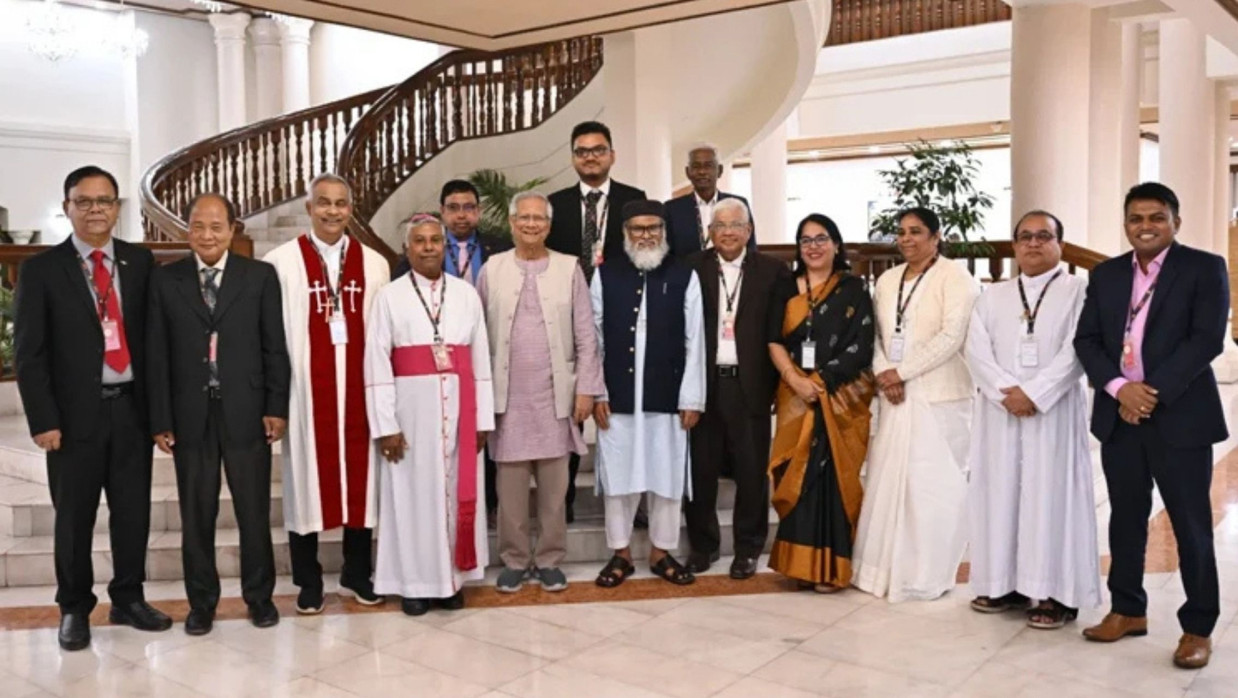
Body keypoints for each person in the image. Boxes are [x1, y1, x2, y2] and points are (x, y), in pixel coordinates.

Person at [14, 165, 171, 651]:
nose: (95, 209)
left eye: (104, 201)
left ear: (118, 208)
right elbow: (29, 354)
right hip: (72, 420)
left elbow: (155, 343)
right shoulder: (42, 270)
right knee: (74, 517)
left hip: (130, 412)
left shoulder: (140, 263)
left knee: (132, 513)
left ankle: (128, 597)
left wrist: (160, 418)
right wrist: (44, 421)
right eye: (84, 201)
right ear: (68, 208)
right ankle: (74, 607)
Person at [1074, 182, 1229, 669]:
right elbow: (1088, 340)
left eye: (1156, 217)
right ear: (1126, 225)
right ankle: (1126, 609)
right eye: (1137, 218)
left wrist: (1149, 393)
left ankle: (1198, 626)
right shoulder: (1107, 274)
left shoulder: (1205, 268)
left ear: (1175, 222)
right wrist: (1121, 389)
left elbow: (1206, 340)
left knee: (1190, 523)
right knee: (1124, 516)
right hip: (1120, 415)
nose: (1146, 226)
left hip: (1180, 415)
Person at [147, 193, 289, 634]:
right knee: (197, 514)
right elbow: (156, 355)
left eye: (215, 227)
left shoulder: (260, 276)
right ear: (186, 229)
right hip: (190, 416)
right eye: (197, 226)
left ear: (232, 230)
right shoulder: (165, 281)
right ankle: (201, 603)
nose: (206, 235)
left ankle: (259, 598)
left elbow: (274, 347)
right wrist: (160, 419)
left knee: (253, 512)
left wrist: (275, 406)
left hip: (247, 413)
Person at [965, 210, 1101, 629]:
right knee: (1001, 493)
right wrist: (1007, 392)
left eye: (1044, 236)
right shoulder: (993, 295)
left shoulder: (1079, 291)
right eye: (1025, 236)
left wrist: (1035, 393)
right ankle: (1003, 582)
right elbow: (975, 349)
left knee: (1051, 497)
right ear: (1015, 245)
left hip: (1053, 410)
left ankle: (1055, 593)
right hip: (1001, 410)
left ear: (1060, 243)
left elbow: (1080, 348)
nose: (1033, 243)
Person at [264, 173, 390, 614]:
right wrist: (274, 401)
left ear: (351, 209)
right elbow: (270, 337)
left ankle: (357, 574)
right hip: (304, 395)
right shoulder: (280, 262)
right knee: (305, 485)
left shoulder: (375, 264)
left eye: (340, 203)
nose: (332, 211)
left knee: (364, 482)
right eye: (323, 203)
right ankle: (308, 581)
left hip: (359, 389)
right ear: (309, 207)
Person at [365, 214, 495, 616]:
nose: (427, 247)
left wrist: (483, 419)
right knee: (411, 498)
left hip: (459, 409)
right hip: (410, 414)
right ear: (407, 248)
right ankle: (414, 585)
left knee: (454, 496)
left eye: (434, 240)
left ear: (444, 245)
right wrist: (385, 426)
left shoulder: (466, 294)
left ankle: (450, 581)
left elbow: (481, 359)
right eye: (419, 241)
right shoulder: (389, 296)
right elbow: (376, 363)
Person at [475, 191, 603, 593]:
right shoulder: (492, 269)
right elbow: (477, 337)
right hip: (507, 400)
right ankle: (514, 560)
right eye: (523, 218)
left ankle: (549, 559)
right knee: (509, 491)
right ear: (512, 223)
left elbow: (587, 336)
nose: (531, 225)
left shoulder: (569, 269)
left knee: (553, 491)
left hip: (554, 398)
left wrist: (586, 390)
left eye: (538, 219)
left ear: (548, 226)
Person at [851, 206, 980, 602]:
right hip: (894, 395)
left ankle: (926, 574)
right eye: (902, 232)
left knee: (933, 490)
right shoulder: (888, 280)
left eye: (916, 232)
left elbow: (951, 336)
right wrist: (884, 370)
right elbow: (872, 334)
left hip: (940, 395)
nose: (907, 239)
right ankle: (882, 571)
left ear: (936, 236)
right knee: (891, 482)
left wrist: (901, 372)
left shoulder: (957, 278)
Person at [591, 200, 706, 588]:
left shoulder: (683, 274)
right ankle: (620, 553)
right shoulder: (605, 275)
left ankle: (661, 551)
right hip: (617, 395)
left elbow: (696, 339)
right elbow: (593, 338)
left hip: (668, 394)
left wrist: (692, 397)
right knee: (619, 476)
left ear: (664, 231)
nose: (646, 235)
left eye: (653, 228)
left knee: (667, 475)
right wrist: (596, 392)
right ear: (625, 232)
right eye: (638, 229)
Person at [390, 181, 512, 524]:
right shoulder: (411, 264)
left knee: (480, 429)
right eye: (454, 207)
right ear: (443, 212)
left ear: (479, 211)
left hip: (487, 348)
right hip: (434, 364)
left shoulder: (500, 249)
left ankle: (483, 503)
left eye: (469, 206)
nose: (462, 214)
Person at [766, 214, 875, 593]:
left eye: (821, 238)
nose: (813, 246)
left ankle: (830, 569)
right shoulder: (785, 286)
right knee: (795, 477)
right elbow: (773, 340)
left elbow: (862, 345)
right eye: (805, 240)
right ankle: (797, 565)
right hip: (795, 395)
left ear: (836, 244)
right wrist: (796, 380)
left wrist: (822, 381)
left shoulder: (853, 288)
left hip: (839, 396)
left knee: (830, 480)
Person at [546, 120, 647, 523]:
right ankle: (564, 497)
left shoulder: (633, 199)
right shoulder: (556, 203)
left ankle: (631, 500)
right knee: (570, 408)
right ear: (573, 158)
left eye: (598, 149)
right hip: (568, 319)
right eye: (582, 150)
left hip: (622, 317)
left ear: (612, 155)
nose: (591, 156)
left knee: (623, 410)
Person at [683, 198, 790, 578]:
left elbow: (781, 331)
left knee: (751, 471)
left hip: (751, 385)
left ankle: (748, 548)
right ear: (710, 232)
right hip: (703, 384)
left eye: (736, 224)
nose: (728, 231)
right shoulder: (690, 267)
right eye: (720, 225)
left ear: (749, 230)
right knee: (700, 471)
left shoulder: (773, 272)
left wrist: (778, 385)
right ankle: (703, 546)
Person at [665, 144, 756, 258]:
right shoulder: (672, 209)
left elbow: (750, 246)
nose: (702, 172)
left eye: (708, 166)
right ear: (688, 172)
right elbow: (669, 254)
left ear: (720, 170)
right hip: (688, 273)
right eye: (696, 166)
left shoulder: (738, 204)